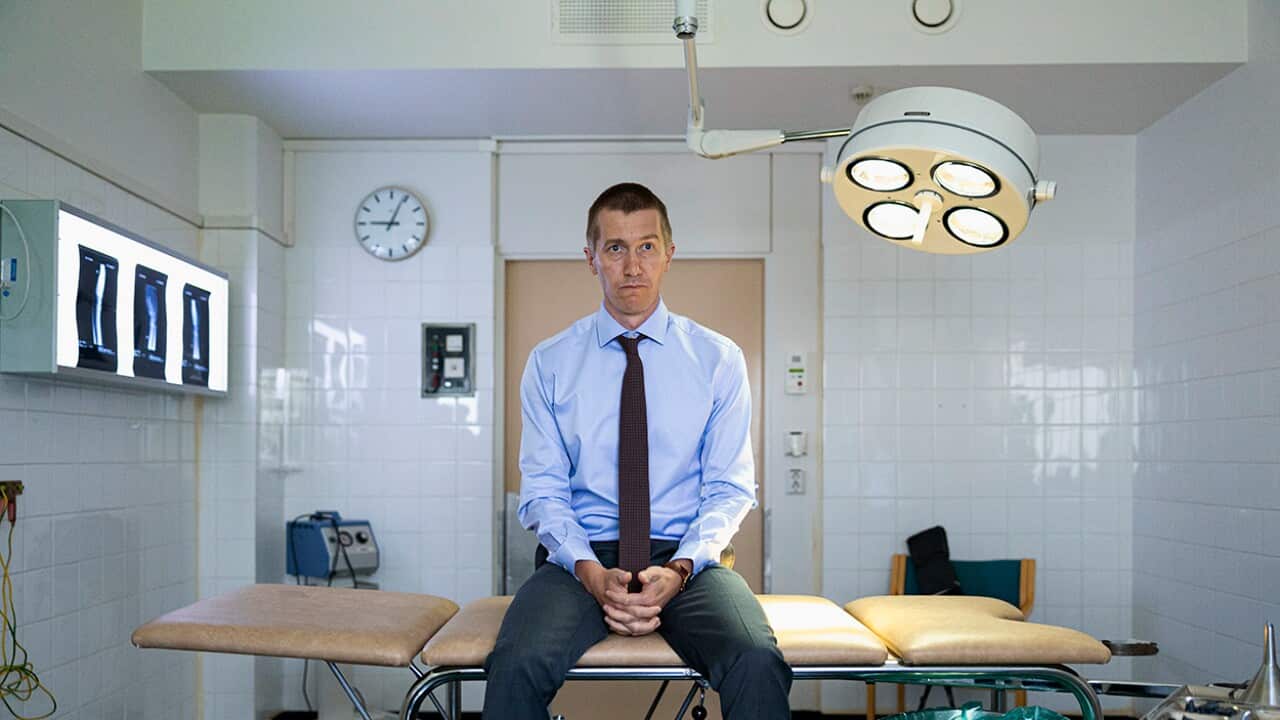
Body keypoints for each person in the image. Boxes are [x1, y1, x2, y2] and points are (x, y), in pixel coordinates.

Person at [483, 182, 792, 718]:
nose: (632, 266)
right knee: (514, 663)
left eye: (647, 247)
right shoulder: (550, 363)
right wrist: (589, 572)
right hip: (581, 558)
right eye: (615, 248)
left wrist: (679, 568)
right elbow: (544, 491)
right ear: (591, 258)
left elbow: (730, 487)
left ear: (669, 254)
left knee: (756, 658)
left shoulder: (718, 360)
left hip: (686, 557)